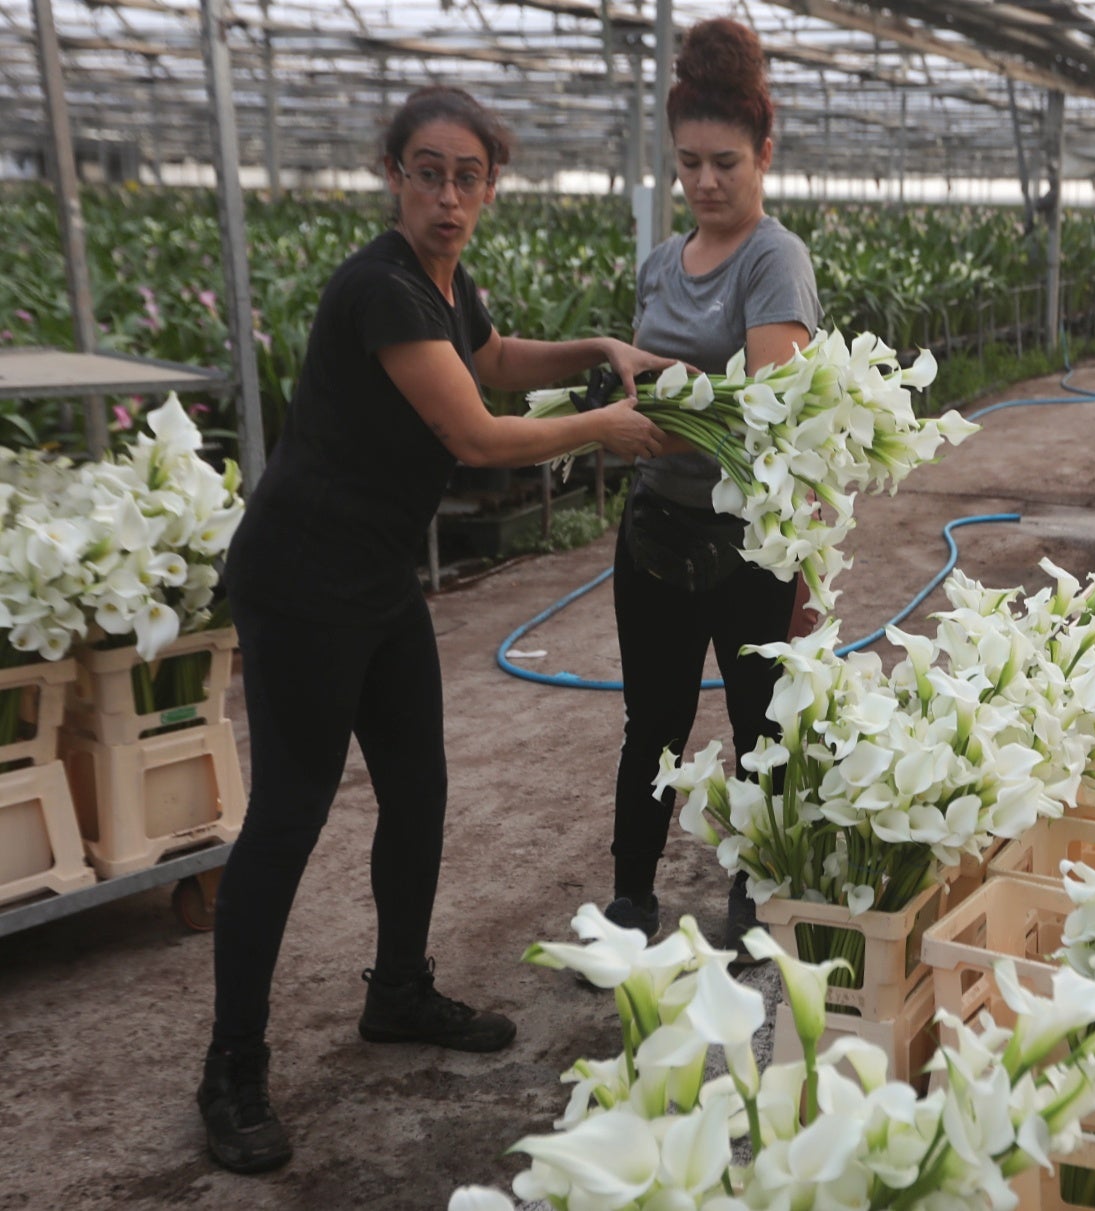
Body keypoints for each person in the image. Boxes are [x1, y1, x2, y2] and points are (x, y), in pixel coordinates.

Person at [199, 85, 674, 1175]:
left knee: (417, 788)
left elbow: (494, 358)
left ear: (490, 185)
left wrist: (598, 345)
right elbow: (471, 432)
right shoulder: (379, 287)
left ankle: (399, 990)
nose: (448, 196)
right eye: (428, 171)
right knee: (287, 815)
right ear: (393, 176)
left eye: (468, 176)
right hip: (303, 579)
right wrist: (606, 423)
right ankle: (230, 1068)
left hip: (375, 582)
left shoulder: (444, 288)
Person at [603, 18, 821, 953]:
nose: (703, 182)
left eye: (724, 162)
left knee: (755, 720)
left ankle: (755, 883)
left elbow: (773, 411)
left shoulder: (775, 260)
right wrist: (620, 422)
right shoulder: (661, 262)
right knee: (649, 718)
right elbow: (646, 385)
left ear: (764, 155)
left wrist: (667, 397)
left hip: (747, 539)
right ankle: (628, 900)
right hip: (656, 526)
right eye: (687, 162)